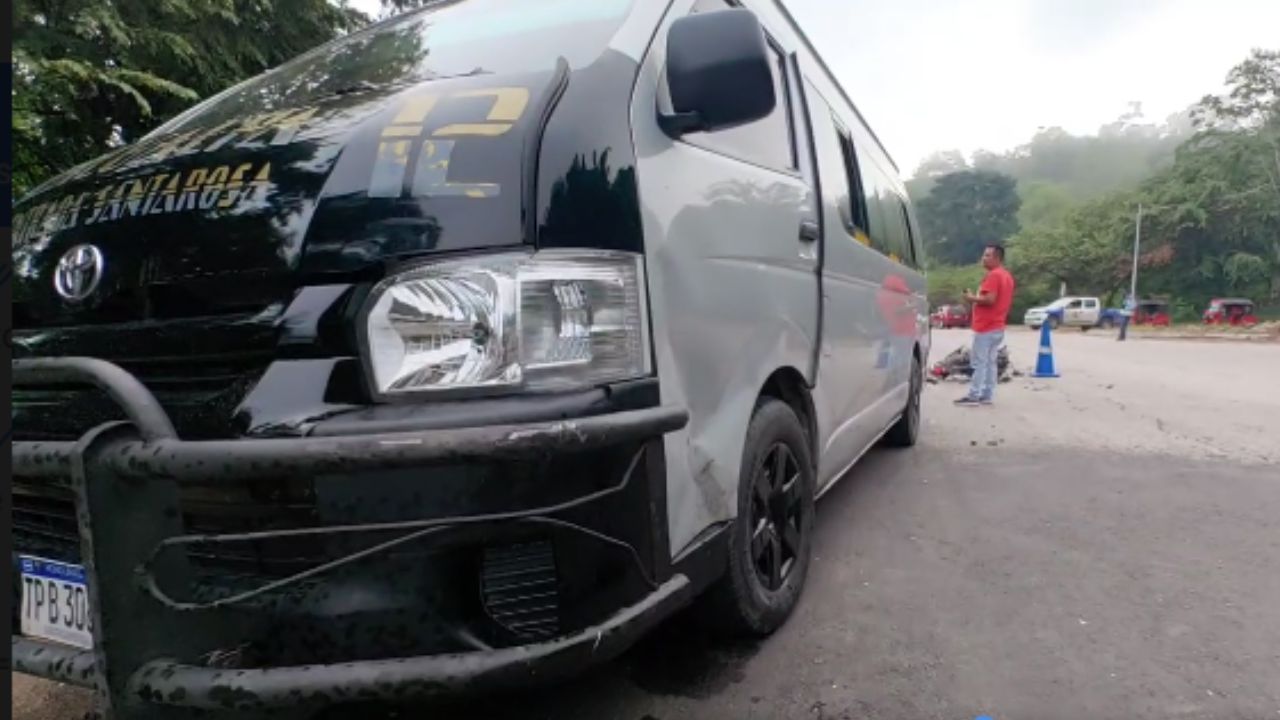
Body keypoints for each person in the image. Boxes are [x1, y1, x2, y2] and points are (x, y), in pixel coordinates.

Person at [955, 244, 1015, 406]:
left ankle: (974, 394)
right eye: (984, 255)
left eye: (987, 255)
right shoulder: (1006, 276)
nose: (983, 258)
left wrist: (971, 297)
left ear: (997, 258)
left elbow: (989, 300)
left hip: (986, 326)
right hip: (998, 325)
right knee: (990, 362)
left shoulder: (994, 276)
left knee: (979, 362)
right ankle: (987, 394)